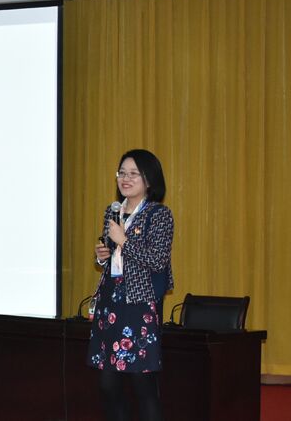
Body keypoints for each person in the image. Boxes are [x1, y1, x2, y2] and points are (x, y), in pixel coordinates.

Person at [86, 149, 174, 421]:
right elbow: (114, 257)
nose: (126, 178)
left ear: (149, 179)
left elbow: (157, 260)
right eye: (122, 173)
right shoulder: (114, 211)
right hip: (111, 302)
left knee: (142, 383)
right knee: (108, 383)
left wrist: (123, 240)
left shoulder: (159, 215)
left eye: (134, 173)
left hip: (139, 305)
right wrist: (102, 256)